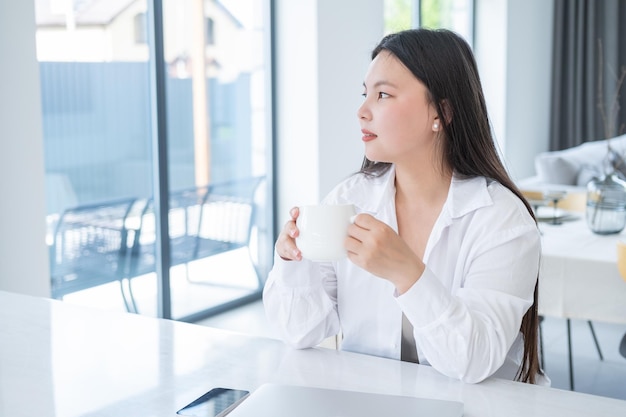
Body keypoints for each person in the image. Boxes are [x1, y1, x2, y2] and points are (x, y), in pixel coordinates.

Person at [263, 28, 545, 384]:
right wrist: (292, 262)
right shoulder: (349, 200)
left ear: (441, 111)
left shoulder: (502, 219)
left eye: (383, 94)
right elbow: (299, 331)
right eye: (365, 94)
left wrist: (407, 273)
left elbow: (474, 360)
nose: (362, 111)